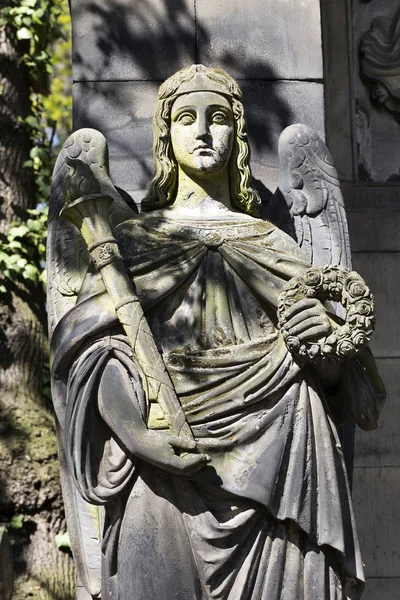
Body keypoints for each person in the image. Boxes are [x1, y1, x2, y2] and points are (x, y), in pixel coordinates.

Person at [51, 65, 385, 599]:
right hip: (159, 459)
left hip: (283, 450)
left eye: (219, 118)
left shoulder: (275, 243)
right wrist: (138, 436)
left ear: (239, 138)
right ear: (166, 137)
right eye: (187, 119)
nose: (204, 132)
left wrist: (323, 340)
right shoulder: (131, 242)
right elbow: (92, 357)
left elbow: (346, 387)